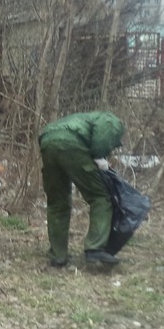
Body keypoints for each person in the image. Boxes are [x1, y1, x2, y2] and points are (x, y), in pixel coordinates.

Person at [38, 111, 126, 267]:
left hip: (47, 140)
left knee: (57, 202)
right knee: (101, 196)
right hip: (71, 143)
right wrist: (100, 157)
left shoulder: (82, 118)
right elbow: (103, 135)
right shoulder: (112, 120)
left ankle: (58, 256)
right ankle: (95, 248)